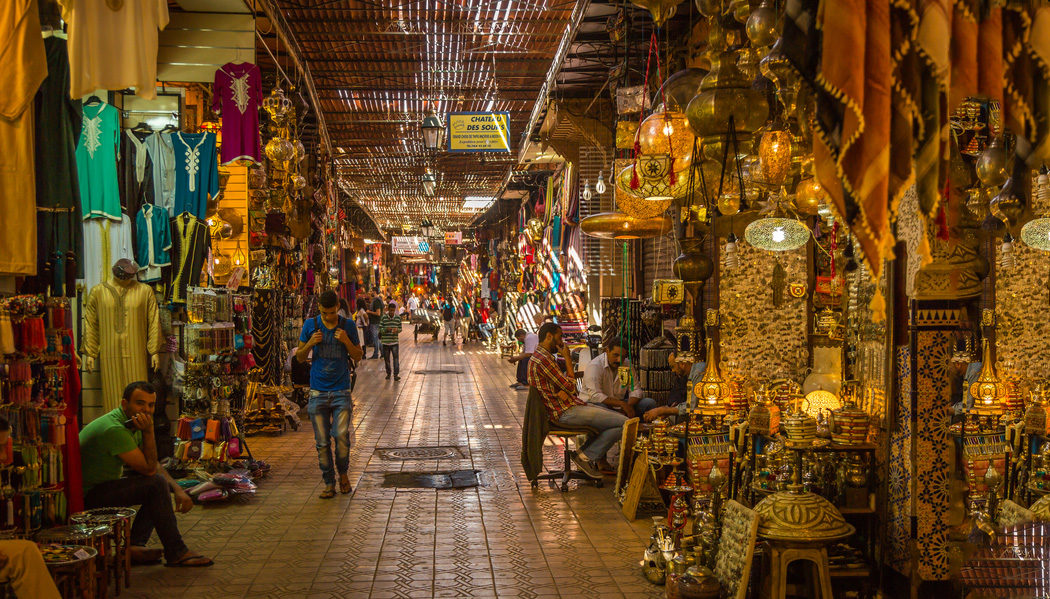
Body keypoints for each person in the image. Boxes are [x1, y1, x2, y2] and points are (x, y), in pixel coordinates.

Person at [79, 382, 213, 567]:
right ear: (125, 404)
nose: (147, 410)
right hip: (87, 497)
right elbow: (149, 469)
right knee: (155, 484)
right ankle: (176, 551)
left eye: (151, 405)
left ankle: (134, 546)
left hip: (102, 488)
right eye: (140, 403)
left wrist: (177, 490)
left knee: (156, 484)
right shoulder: (114, 429)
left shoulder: (130, 422)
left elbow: (153, 465)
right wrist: (149, 431)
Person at [527, 322, 626, 479]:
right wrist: (567, 357)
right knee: (625, 423)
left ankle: (584, 455)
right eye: (560, 338)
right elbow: (571, 386)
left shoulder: (541, 357)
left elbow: (564, 388)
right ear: (549, 336)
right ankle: (584, 457)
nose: (562, 343)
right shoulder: (543, 360)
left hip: (569, 406)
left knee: (621, 424)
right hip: (564, 413)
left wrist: (563, 390)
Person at [296, 290, 362, 499]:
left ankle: (343, 473)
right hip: (317, 391)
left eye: (331, 313)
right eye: (324, 313)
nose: (328, 317)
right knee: (322, 442)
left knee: (341, 437)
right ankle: (328, 482)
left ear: (338, 308)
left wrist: (346, 342)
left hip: (341, 390)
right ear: (320, 310)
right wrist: (309, 344)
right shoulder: (310, 325)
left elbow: (359, 356)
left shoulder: (347, 325)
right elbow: (298, 357)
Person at [581, 341, 658, 470]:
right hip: (596, 405)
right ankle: (599, 457)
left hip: (620, 405)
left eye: (622, 357)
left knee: (649, 404)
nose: (619, 360)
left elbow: (636, 390)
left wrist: (628, 404)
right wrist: (622, 404)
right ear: (607, 350)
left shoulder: (626, 364)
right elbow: (595, 395)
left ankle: (640, 455)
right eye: (615, 355)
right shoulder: (595, 365)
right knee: (602, 409)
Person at [643, 352, 706, 422]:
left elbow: (691, 407)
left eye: (673, 366)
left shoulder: (698, 372)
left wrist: (663, 410)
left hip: (704, 415)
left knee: (680, 418)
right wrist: (667, 411)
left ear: (682, 364)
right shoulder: (688, 374)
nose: (673, 371)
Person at [379, 301, 403, 381]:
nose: (392, 312)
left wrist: (397, 330)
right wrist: (386, 329)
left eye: (393, 310)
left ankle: (396, 374)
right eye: (391, 310)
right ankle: (388, 373)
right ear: (388, 310)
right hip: (385, 342)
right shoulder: (383, 318)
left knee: (396, 359)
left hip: (394, 342)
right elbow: (380, 329)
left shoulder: (398, 318)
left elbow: (400, 328)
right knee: (387, 359)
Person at [367, 289, 384, 359]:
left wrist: (369, 312)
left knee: (375, 339)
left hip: (375, 322)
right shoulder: (377, 300)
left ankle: (376, 354)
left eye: (371, 291)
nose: (369, 293)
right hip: (377, 322)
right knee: (377, 339)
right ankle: (382, 353)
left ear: (374, 292)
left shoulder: (376, 301)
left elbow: (378, 313)